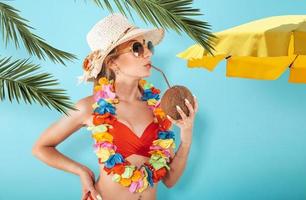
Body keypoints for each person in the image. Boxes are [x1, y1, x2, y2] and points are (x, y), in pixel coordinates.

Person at [32, 14, 198, 200]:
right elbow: (41, 147)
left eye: (148, 45)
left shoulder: (159, 109)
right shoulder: (89, 107)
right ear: (112, 62)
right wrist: (82, 171)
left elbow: (169, 180)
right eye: (137, 48)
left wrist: (187, 137)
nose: (148, 53)